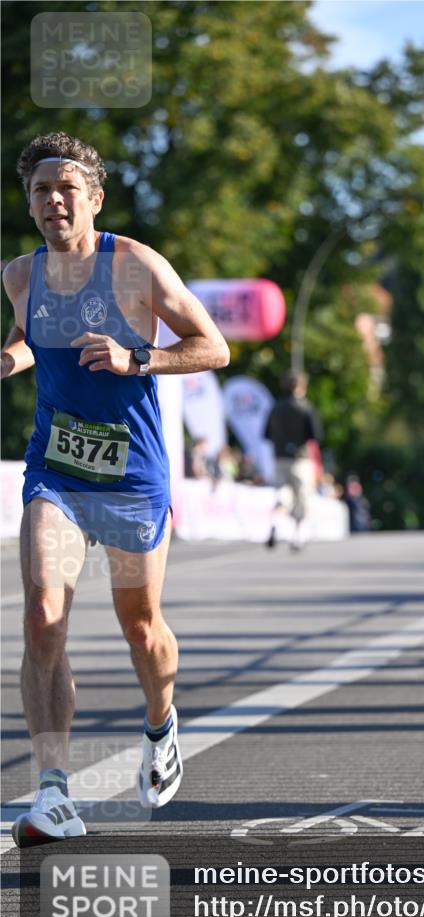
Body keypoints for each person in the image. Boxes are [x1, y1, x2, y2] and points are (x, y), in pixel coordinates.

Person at [1, 132, 230, 846]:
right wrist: (6, 359)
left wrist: (140, 357)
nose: (54, 200)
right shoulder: (19, 273)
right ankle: (52, 793)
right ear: (30, 202)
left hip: (131, 476)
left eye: (67, 188)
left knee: (141, 627)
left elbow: (214, 346)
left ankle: (160, 723)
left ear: (95, 199)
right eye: (41, 189)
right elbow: (28, 338)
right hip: (58, 471)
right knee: (43, 613)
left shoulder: (135, 266)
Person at [263, 370, 322, 551]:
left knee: (282, 494)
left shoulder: (276, 407)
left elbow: (266, 434)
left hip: (280, 457)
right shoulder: (305, 407)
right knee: (302, 498)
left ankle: (275, 522)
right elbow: (316, 435)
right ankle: (297, 536)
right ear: (302, 386)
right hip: (300, 458)